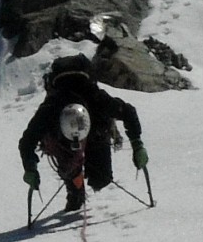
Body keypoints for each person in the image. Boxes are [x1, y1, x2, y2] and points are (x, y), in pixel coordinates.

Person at [20, 55, 149, 212]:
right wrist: (30, 167)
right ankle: (75, 188)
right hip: (62, 140)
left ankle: (77, 179)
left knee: (101, 179)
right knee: (70, 164)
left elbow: (128, 112)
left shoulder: (96, 99)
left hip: (96, 131)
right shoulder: (51, 108)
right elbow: (28, 141)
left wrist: (138, 144)